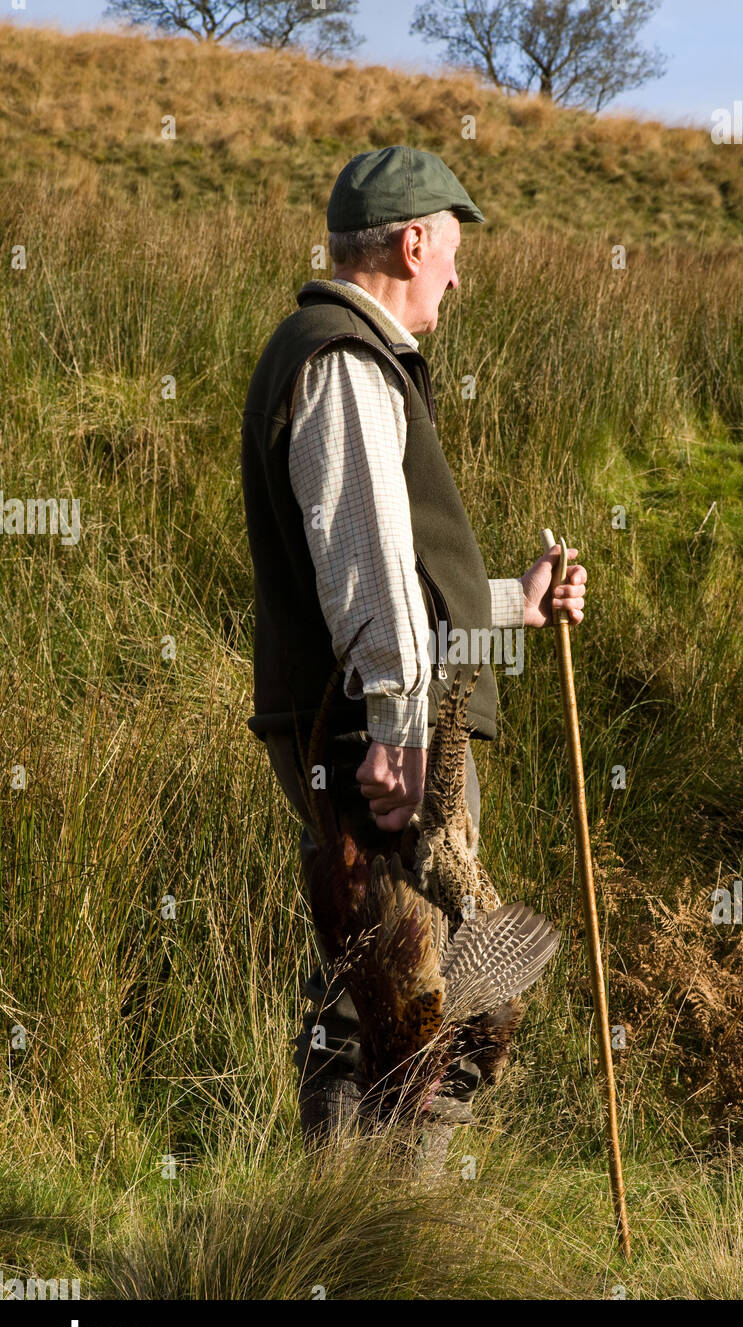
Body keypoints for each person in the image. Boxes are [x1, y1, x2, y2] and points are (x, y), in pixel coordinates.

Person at [240, 145, 587, 1149]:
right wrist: (396, 726)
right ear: (413, 238)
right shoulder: (345, 360)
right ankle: (400, 1249)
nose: (455, 278)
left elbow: (400, 578)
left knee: (375, 1005)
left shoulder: (346, 356)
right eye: (450, 255)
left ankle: (350, 1247)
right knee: (426, 1019)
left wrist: (508, 605)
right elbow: (364, 572)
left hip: (368, 725)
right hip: (378, 741)